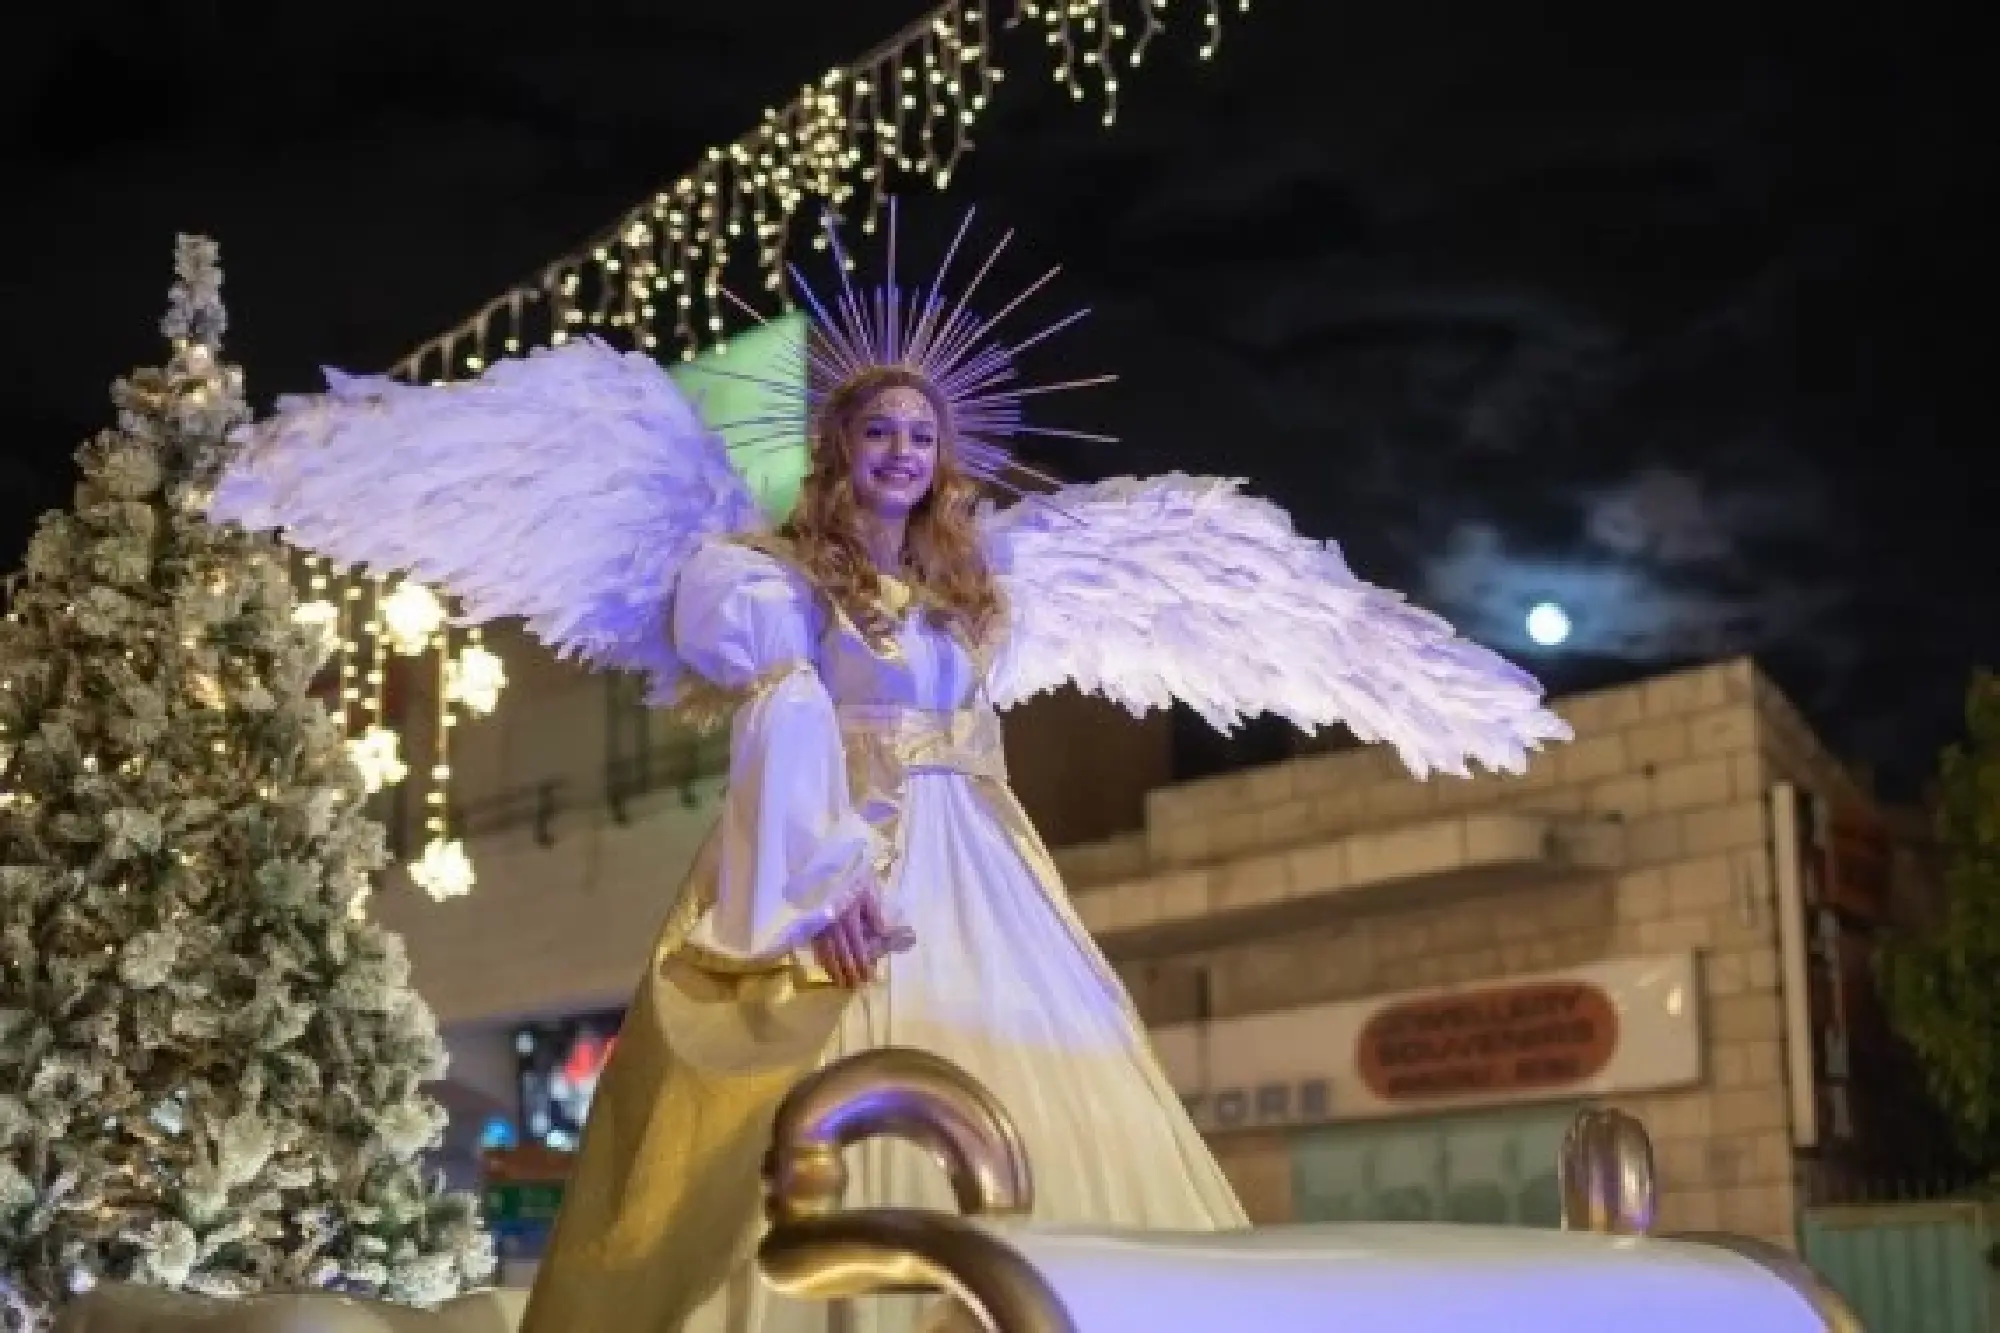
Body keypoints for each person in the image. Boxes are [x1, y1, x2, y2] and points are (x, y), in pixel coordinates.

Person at [209, 207, 1570, 1333]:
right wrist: (816, 880)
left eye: (924, 436)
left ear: (945, 455)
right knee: (836, 1107)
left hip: (985, 869)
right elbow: (782, 721)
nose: (905, 452)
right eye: (881, 432)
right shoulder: (771, 579)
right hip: (836, 856)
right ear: (840, 448)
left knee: (1034, 1098)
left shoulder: (986, 591)